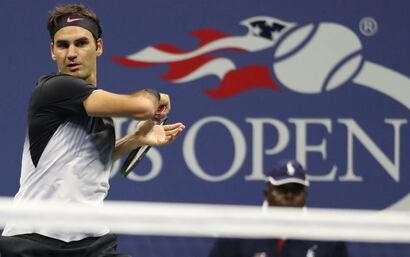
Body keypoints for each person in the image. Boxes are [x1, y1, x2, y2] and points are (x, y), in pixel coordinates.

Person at [0, 3, 185, 257]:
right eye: (63, 45)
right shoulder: (53, 89)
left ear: (98, 46)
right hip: (36, 241)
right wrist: (158, 96)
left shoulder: (99, 113)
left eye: (81, 43)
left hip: (92, 242)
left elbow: (84, 164)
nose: (72, 53)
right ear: (52, 51)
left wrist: (134, 139)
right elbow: (143, 107)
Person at [209, 159, 348, 257]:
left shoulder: (328, 239)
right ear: (266, 194)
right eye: (282, 189)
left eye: (296, 190)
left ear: (305, 196)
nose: (289, 195)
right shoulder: (236, 235)